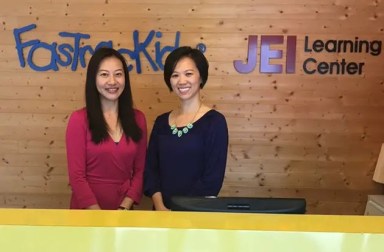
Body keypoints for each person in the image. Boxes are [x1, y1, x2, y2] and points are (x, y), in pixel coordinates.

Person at [144, 46, 228, 211]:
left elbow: (212, 180)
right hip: (160, 215)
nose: (182, 81)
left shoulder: (215, 122)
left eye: (188, 74)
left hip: (196, 215)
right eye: (175, 75)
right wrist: (160, 207)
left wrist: (180, 211)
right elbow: (151, 171)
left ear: (201, 77)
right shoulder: (161, 122)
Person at [65, 47, 147, 210]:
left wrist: (125, 206)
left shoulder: (138, 118)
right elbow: (77, 177)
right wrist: (98, 215)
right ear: (93, 79)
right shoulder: (78, 119)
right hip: (87, 212)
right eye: (104, 74)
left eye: (118, 74)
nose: (112, 81)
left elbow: (140, 171)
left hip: (123, 212)